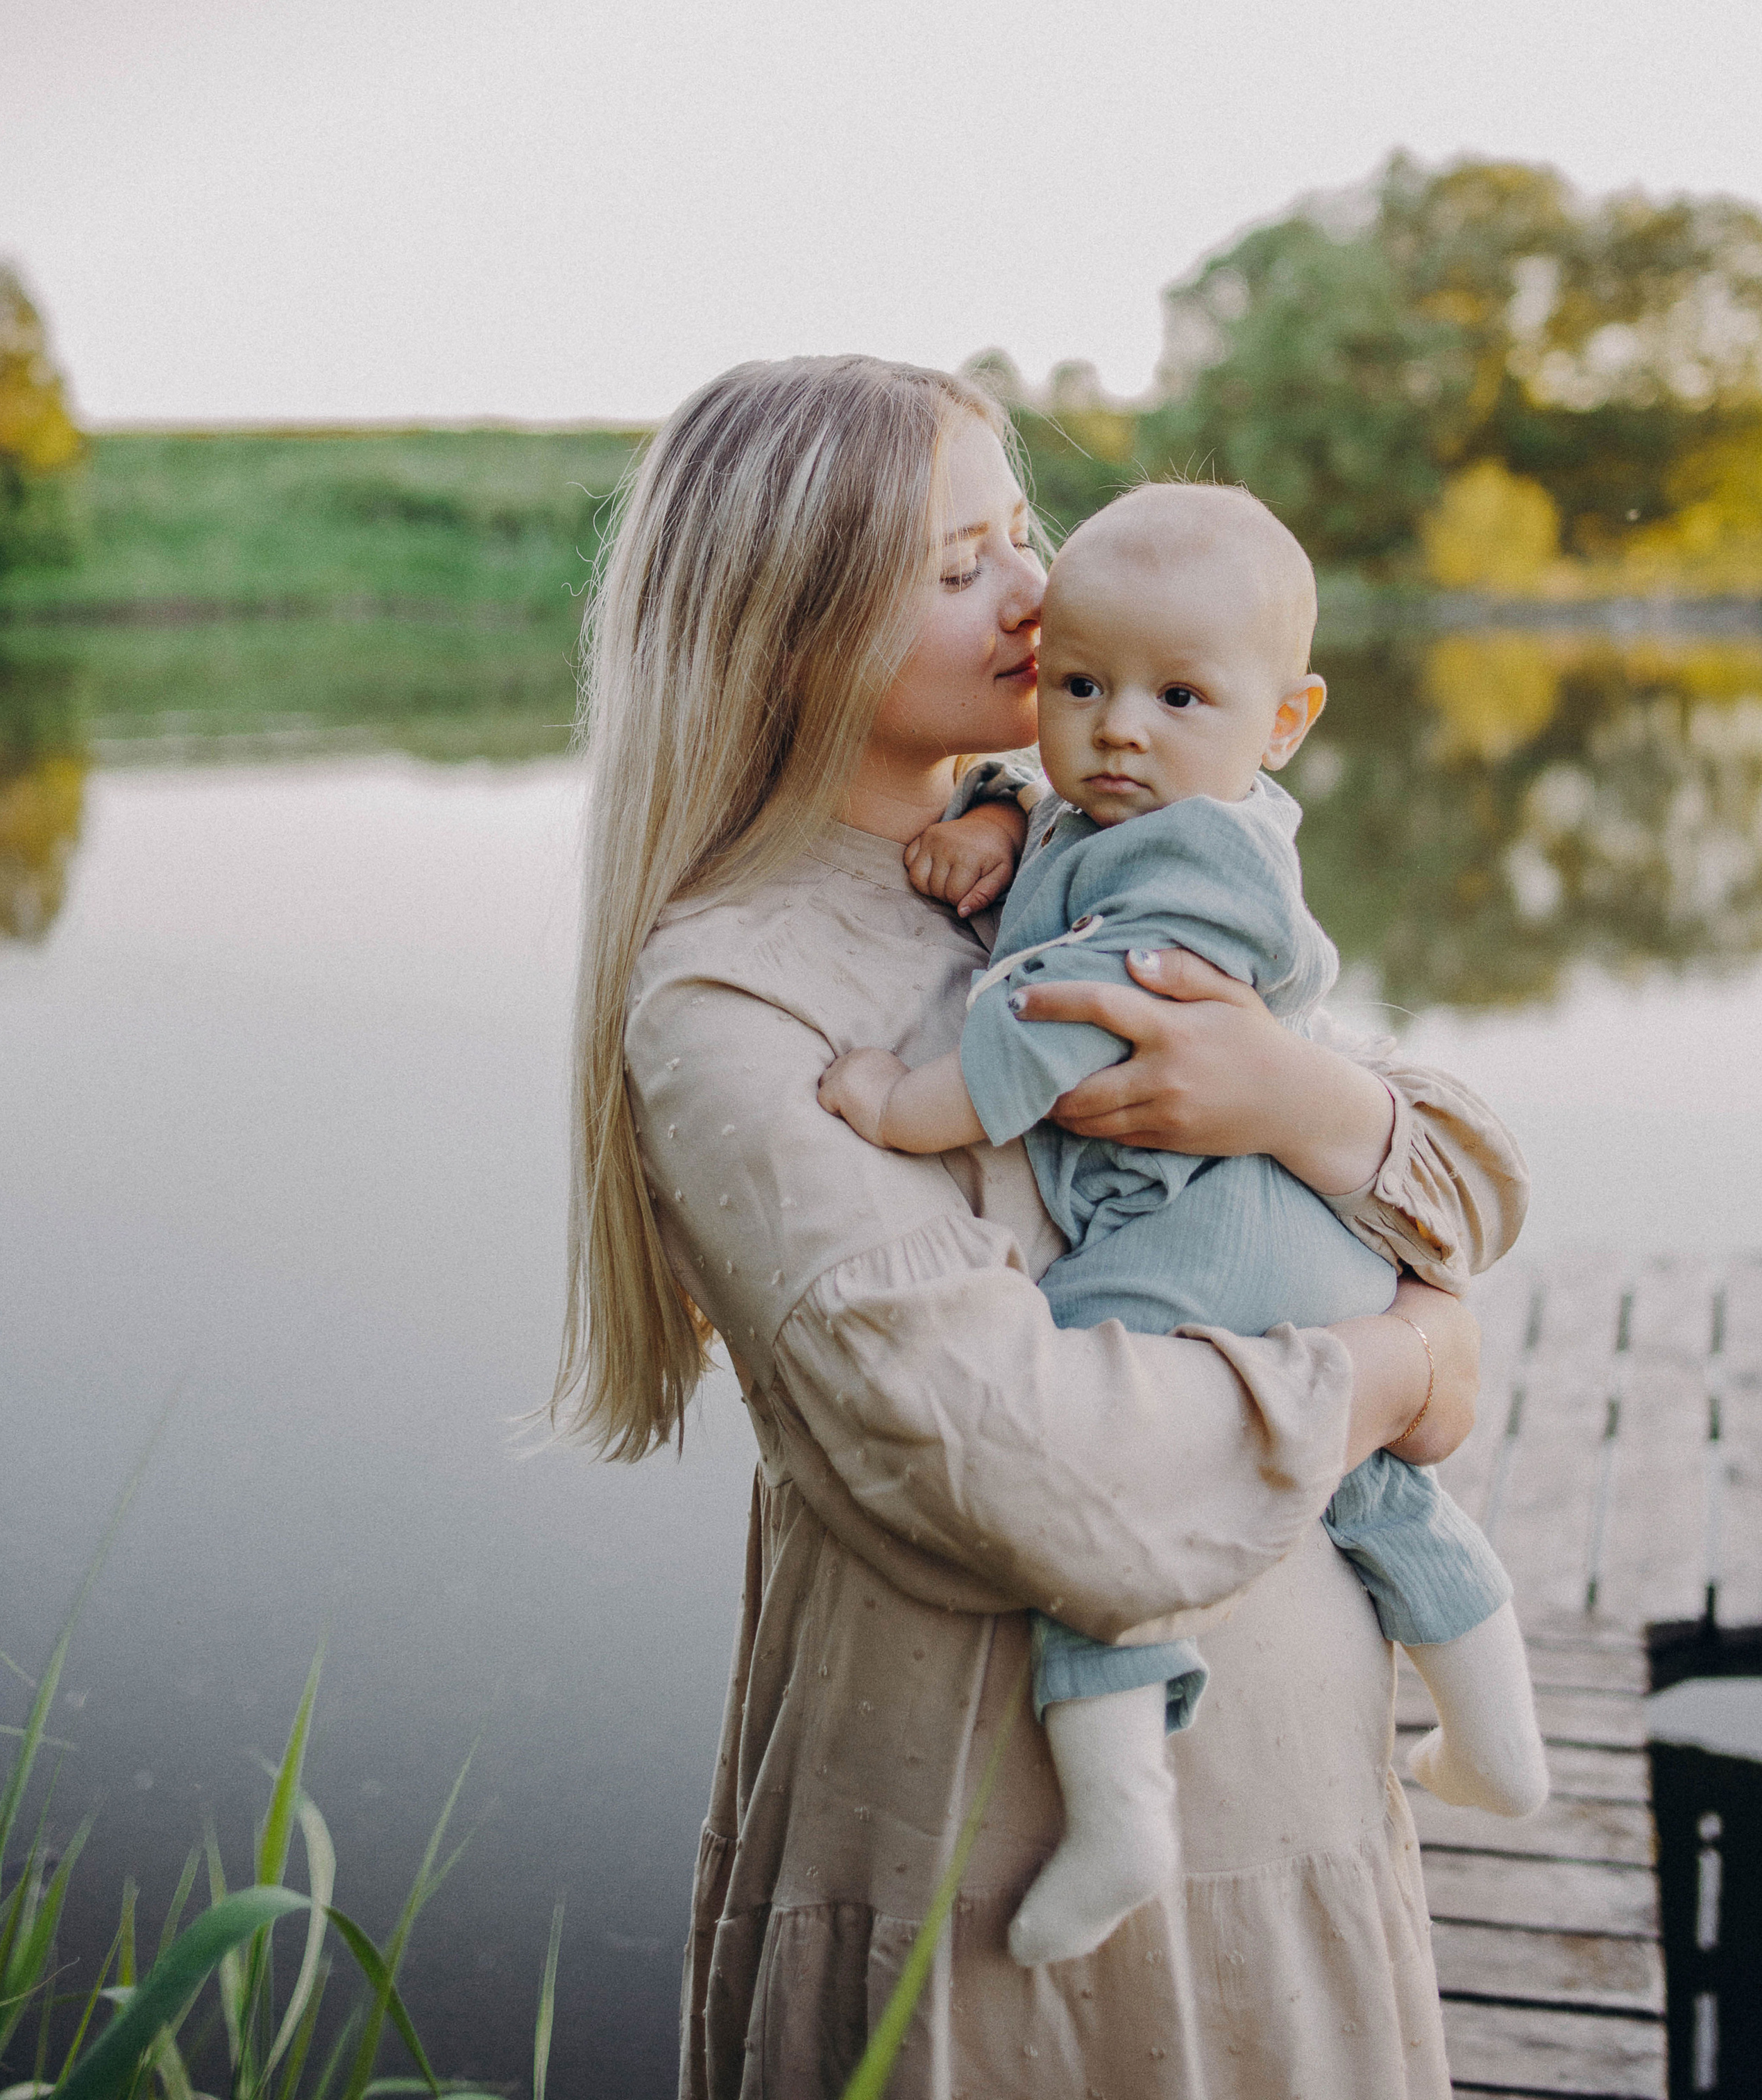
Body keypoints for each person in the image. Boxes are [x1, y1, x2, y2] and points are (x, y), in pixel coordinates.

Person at [558, 353, 1527, 2100]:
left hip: (1290, 1798)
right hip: (984, 1842)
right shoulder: (732, 998)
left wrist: (1292, 1102)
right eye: (957, 566)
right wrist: (1388, 1371)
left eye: (1020, 533)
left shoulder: (1090, 846)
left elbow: (1466, 1191)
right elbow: (1026, 1464)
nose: (1033, 587)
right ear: (791, 636)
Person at [820, 480, 1547, 1972]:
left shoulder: (1207, 859)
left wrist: (904, 1106)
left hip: (1200, 1227)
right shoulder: (1138, 813)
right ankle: (1497, 1742)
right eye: (1079, 686)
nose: (1116, 728)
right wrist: (996, 812)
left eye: (1173, 694)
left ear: (1284, 720)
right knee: (1370, 1497)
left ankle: (1116, 1796)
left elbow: (1062, 1013)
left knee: (1099, 1455)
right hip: (1279, 1227)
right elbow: (1076, 842)